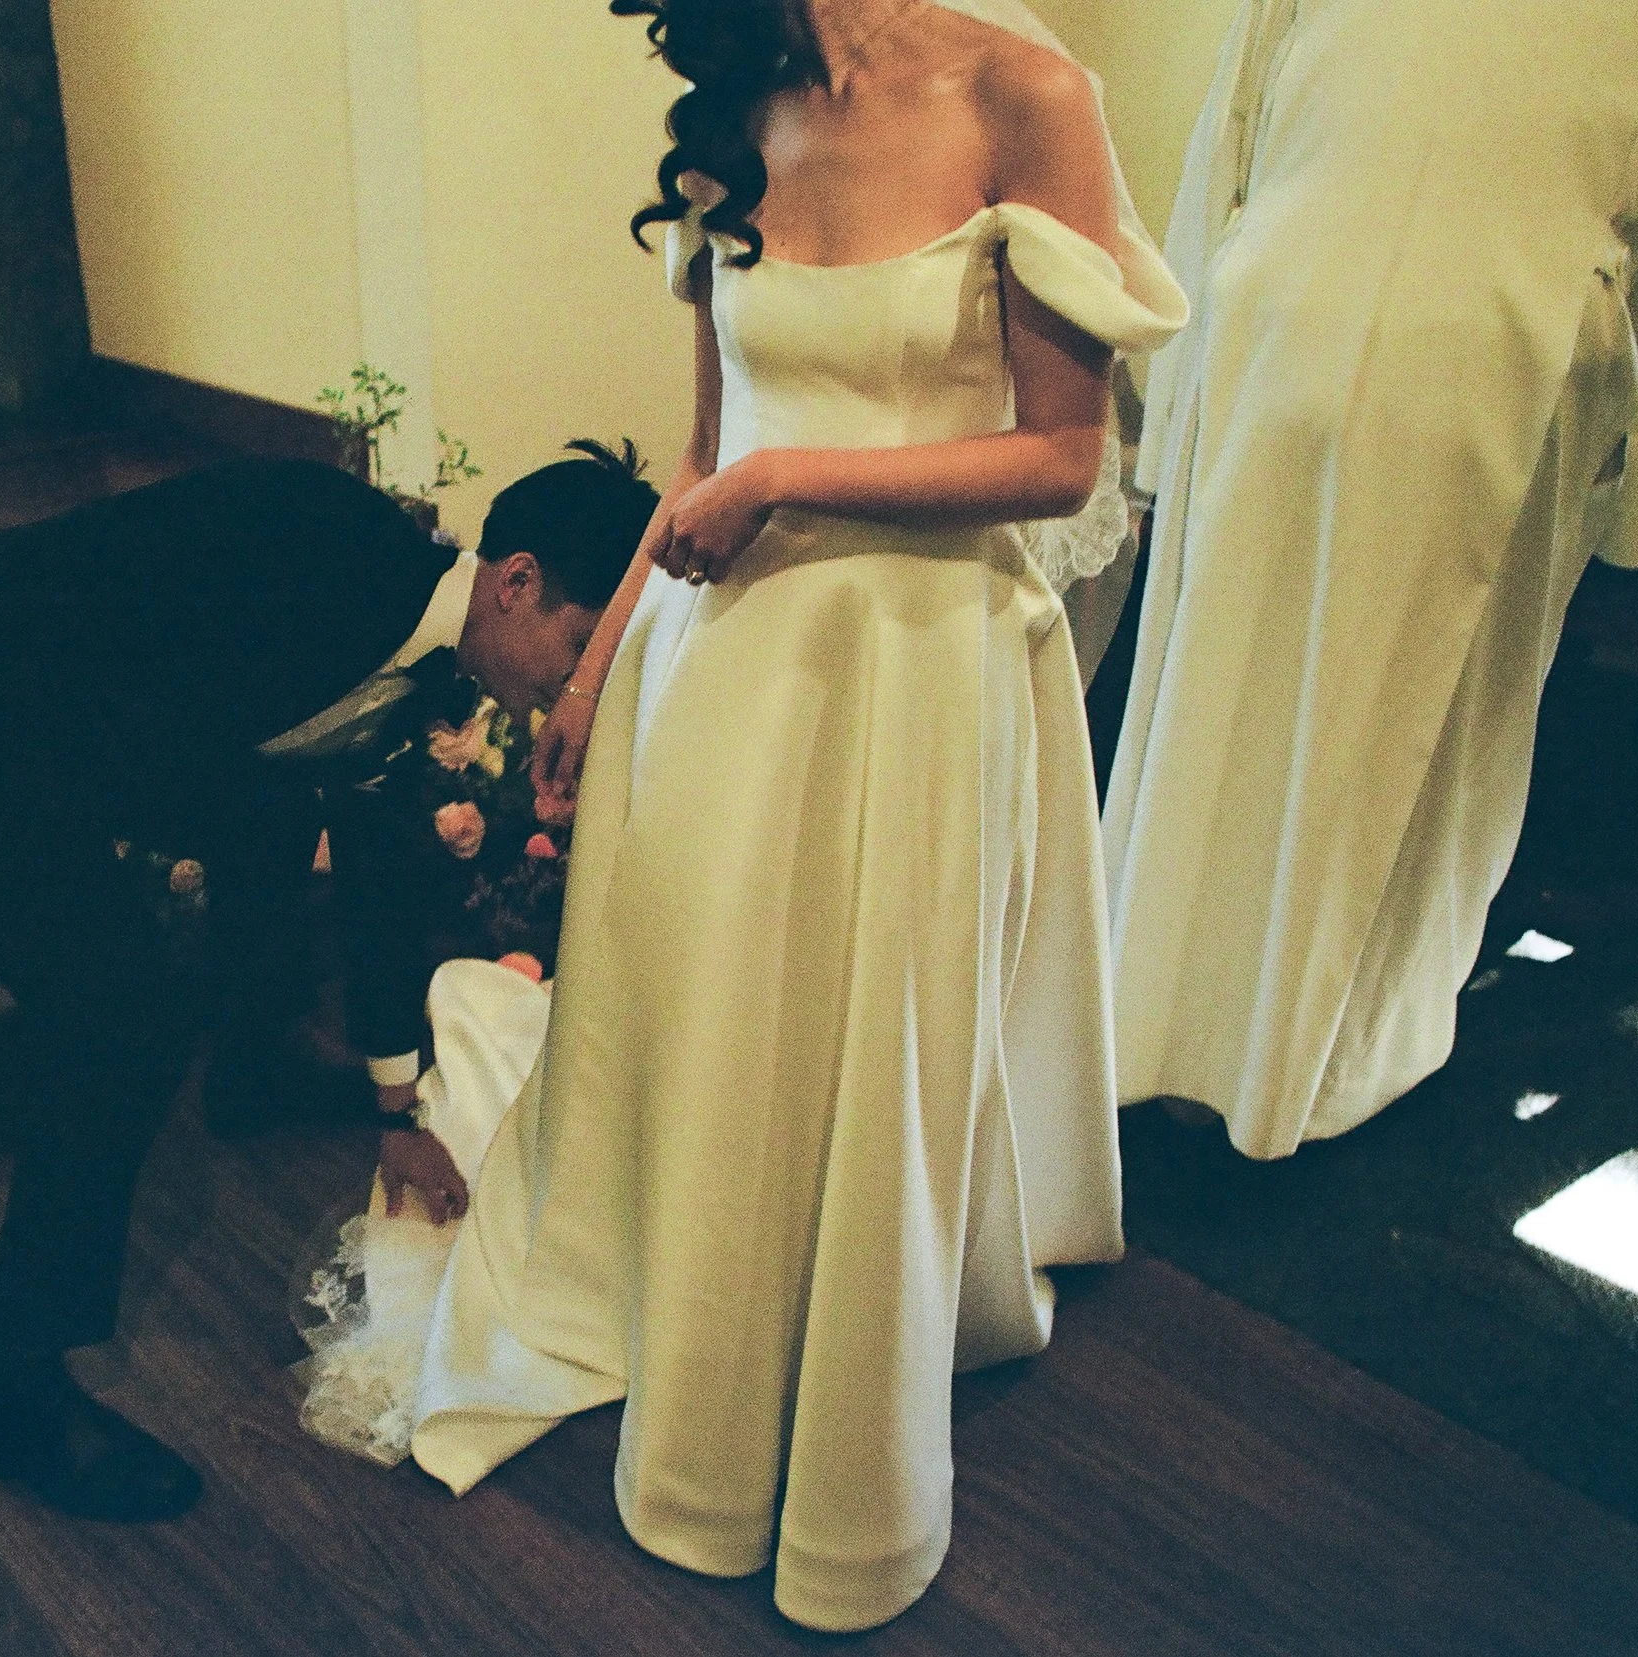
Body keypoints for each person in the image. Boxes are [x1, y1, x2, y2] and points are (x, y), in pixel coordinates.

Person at [297, 0, 1187, 1631]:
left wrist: (795, 483)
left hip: (920, 673)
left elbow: (1061, 458)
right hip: (721, 672)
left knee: (876, 1036)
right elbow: (709, 448)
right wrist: (584, 687)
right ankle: (719, 1360)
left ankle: (851, 1427)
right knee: (719, 1021)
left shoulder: (1027, 93)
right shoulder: (737, 111)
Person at [0, 444, 656, 1524]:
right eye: (584, 646)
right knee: (117, 1014)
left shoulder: (435, 677)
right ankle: (14, 1388)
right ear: (518, 582)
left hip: (96, 737)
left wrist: (395, 1107)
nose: (577, 685)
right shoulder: (311, 530)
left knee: (278, 819)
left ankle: (250, 1071)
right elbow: (39, 586)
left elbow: (375, 879)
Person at [1102, 0, 1638, 1160]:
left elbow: (1230, 136)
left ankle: (1147, 1021)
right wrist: (1636, 463)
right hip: (1502, 344)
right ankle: (1310, 1072)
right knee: (1405, 729)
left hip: (1285, 309)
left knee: (1220, 698)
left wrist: (1176, 394)